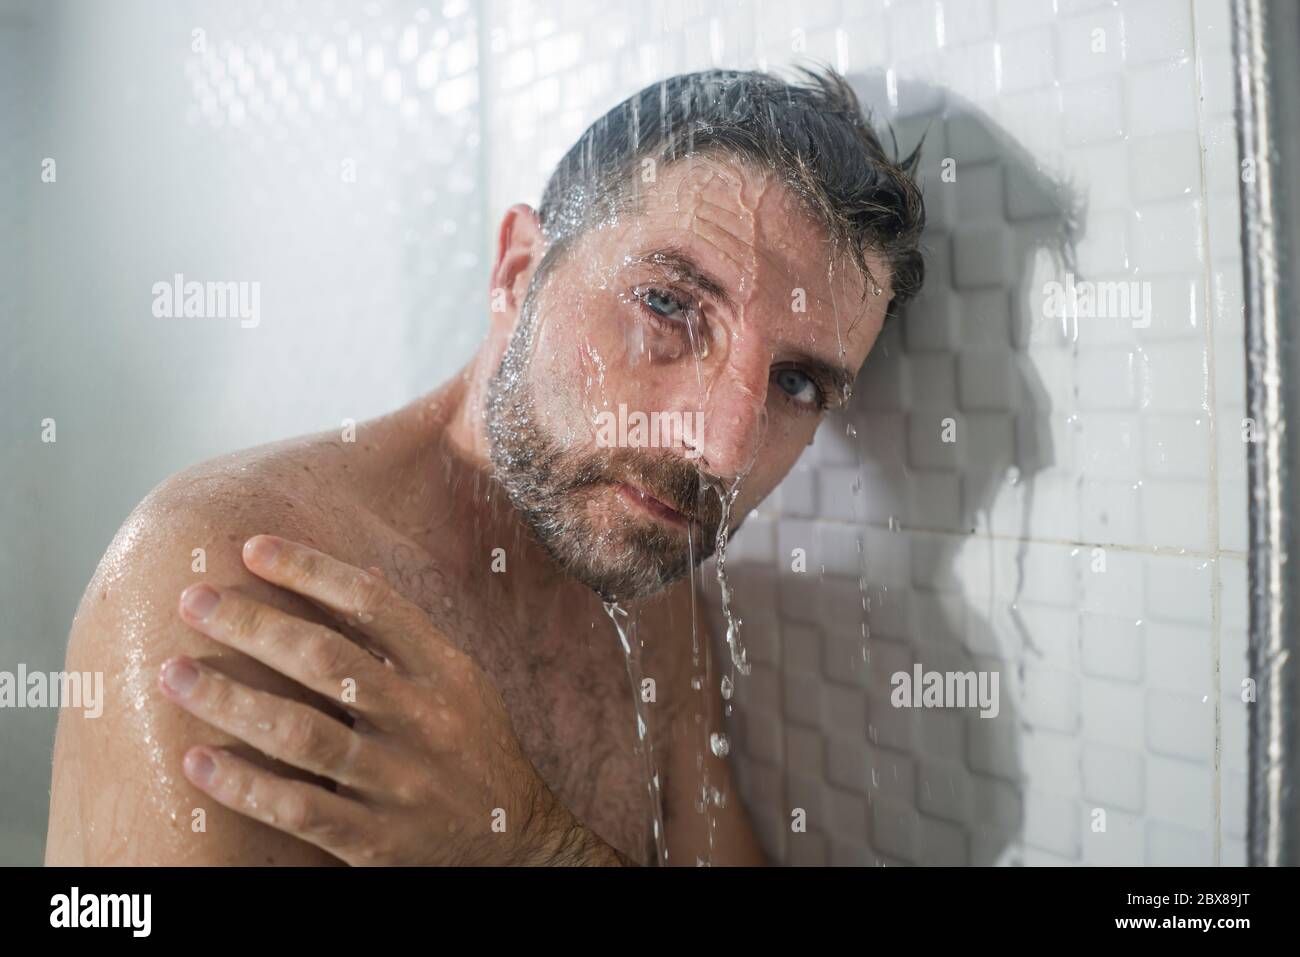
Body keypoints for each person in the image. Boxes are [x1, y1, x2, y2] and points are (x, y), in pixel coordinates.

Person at [44, 65, 925, 866]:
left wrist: (532, 845)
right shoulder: (226, 577)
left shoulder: (656, 612)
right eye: (668, 305)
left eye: (797, 381)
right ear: (517, 270)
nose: (723, 447)